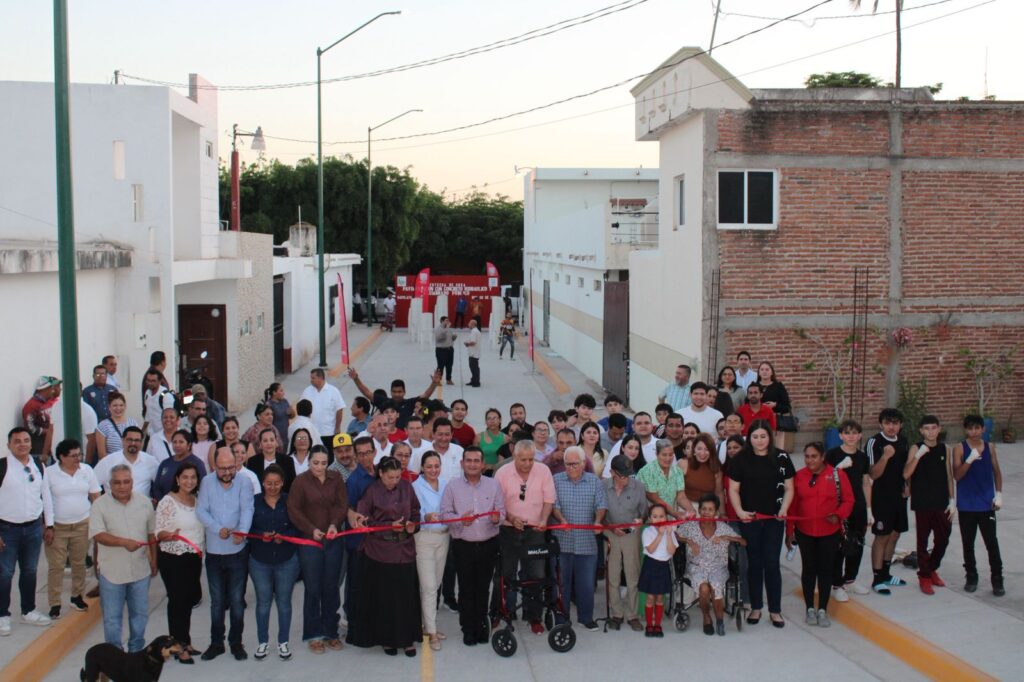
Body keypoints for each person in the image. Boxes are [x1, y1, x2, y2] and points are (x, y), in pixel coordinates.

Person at [348, 456, 422, 657]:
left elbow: (416, 511)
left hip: (405, 550)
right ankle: (387, 639)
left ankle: (407, 639)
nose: (394, 481)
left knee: (406, 597)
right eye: (390, 477)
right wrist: (389, 525)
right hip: (380, 552)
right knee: (385, 599)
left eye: (397, 477)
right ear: (381, 474)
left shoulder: (407, 488)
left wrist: (412, 524)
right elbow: (365, 521)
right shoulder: (372, 491)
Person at [727, 420, 795, 627]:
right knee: (754, 564)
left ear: (770, 436)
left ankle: (775, 610)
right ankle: (756, 607)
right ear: (750, 438)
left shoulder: (782, 458)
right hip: (751, 520)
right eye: (755, 437)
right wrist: (740, 512)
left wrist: (783, 509)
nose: (759, 441)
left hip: (774, 520)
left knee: (772, 563)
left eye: (763, 436)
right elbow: (733, 490)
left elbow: (789, 488)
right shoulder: (740, 459)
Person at [441, 446, 504, 646]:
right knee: (467, 589)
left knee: (483, 587)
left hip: (488, 544)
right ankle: (468, 628)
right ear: (462, 464)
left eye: (477, 461)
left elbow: (501, 511)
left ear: (483, 464)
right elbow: (444, 515)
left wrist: (497, 518)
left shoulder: (493, 485)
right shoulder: (452, 487)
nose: (472, 464)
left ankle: (481, 626)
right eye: (468, 460)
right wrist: (460, 520)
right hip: (463, 545)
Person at [89, 464, 157, 652]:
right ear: (110, 484)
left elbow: (151, 534)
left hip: (140, 571)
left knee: (140, 616)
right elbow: (98, 535)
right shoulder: (99, 505)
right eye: (117, 482)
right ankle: (114, 657)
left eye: (126, 482)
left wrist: (154, 561)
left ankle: (135, 652)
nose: (122, 486)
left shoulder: (144, 503)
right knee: (112, 619)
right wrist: (123, 542)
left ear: (132, 482)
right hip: (112, 573)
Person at [786, 443, 853, 628]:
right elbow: (792, 506)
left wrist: (838, 515)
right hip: (804, 531)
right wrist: (789, 531)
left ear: (822, 457)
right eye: (807, 456)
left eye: (814, 456)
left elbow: (849, 500)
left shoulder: (838, 475)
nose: (810, 460)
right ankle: (809, 608)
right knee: (808, 569)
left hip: (829, 532)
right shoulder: (799, 476)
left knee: (825, 570)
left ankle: (822, 608)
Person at [288, 449, 349, 653]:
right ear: (309, 462)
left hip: (333, 541)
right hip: (310, 543)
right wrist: (310, 529)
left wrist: (334, 524)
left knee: (331, 587)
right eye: (315, 463)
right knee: (313, 589)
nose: (320, 467)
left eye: (323, 463)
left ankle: (331, 632)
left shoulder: (336, 478)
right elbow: (294, 509)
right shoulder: (300, 482)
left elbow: (342, 505)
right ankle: (313, 634)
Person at [197, 449, 254, 661]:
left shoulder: (244, 482)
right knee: (217, 602)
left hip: (238, 552)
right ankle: (216, 642)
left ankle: (236, 642)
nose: (228, 472)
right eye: (223, 468)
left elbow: (247, 509)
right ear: (214, 466)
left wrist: (242, 531)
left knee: (237, 601)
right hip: (214, 552)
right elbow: (201, 510)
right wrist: (216, 527)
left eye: (232, 467)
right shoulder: (206, 482)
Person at [495, 440, 556, 635]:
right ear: (514, 456)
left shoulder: (543, 471)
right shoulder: (502, 473)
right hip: (508, 530)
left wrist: (544, 520)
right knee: (506, 574)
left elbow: (549, 500)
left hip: (535, 531)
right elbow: (497, 504)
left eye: (531, 459)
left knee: (536, 575)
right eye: (523, 460)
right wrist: (511, 518)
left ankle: (534, 617)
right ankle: (501, 611)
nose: (528, 464)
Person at [0, 427, 55, 635]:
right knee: (5, 574)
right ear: (9, 445)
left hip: (32, 529)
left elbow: (46, 496)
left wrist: (49, 525)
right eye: (17, 441)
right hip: (7, 530)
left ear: (31, 443)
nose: (22, 444)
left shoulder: (39, 466)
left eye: (26, 440)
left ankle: (28, 610)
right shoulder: (3, 466)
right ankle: (2, 615)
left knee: (30, 571)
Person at [551, 446, 607, 631]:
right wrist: (561, 519)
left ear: (584, 464)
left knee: (586, 583)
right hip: (562, 540)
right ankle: (562, 616)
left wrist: (598, 521)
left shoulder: (594, 482)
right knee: (561, 583)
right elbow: (554, 504)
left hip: (586, 541)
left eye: (575, 463)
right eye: (568, 464)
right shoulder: (556, 480)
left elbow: (601, 505)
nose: (571, 467)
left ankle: (585, 617)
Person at [44, 439, 99, 620]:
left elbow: (95, 496)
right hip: (58, 527)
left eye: (79, 455)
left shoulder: (87, 471)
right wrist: (49, 526)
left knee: (79, 563)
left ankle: (77, 596)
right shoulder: (50, 473)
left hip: (82, 524)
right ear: (61, 457)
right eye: (73, 456)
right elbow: (46, 501)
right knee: (57, 566)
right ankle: (55, 603)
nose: (78, 459)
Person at [155, 461, 204, 663]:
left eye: (193, 477)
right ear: (177, 479)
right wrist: (169, 535)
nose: (189, 481)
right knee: (178, 603)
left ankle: (185, 641)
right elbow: (159, 531)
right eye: (185, 477)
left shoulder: (197, 499)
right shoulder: (168, 501)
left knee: (190, 599)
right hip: (173, 557)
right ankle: (178, 648)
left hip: (193, 557)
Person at [250, 464, 301, 661]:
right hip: (259, 560)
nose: (272, 487)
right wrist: (258, 535)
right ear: (263, 483)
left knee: (284, 602)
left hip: (286, 559)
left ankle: (283, 642)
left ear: (282, 483)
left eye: (276, 483)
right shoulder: (254, 502)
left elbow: (298, 526)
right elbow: (247, 527)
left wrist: (285, 536)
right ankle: (263, 641)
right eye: (269, 483)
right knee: (263, 603)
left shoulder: (289, 501)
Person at [678, 494, 747, 636]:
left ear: (716, 513)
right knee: (704, 588)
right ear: (699, 510)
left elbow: (743, 541)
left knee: (715, 585)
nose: (706, 512)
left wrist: (725, 538)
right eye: (703, 509)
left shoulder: (722, 527)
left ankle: (720, 620)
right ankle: (707, 617)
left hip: (718, 566)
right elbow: (675, 535)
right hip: (696, 566)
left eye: (710, 510)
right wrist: (688, 541)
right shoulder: (690, 526)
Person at [903, 415, 955, 595]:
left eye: (934, 428)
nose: (931, 431)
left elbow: (949, 475)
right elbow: (906, 473)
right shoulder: (915, 447)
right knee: (923, 540)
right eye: (927, 428)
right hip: (922, 501)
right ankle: (924, 576)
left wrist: (952, 500)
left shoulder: (945, 449)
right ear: (921, 431)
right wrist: (918, 455)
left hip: (941, 501)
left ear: (939, 429)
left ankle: (932, 567)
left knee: (944, 537)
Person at [953, 414, 1004, 596]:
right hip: (967, 504)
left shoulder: (990, 447)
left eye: (977, 428)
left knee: (992, 543)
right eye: (970, 428)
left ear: (983, 429)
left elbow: (997, 472)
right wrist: (970, 459)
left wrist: (998, 495)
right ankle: (971, 577)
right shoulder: (959, 448)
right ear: (965, 430)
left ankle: (997, 580)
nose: (974, 432)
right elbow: (957, 476)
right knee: (968, 543)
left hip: (986, 504)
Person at [825, 419, 872, 601]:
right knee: (839, 545)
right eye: (847, 433)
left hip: (858, 505)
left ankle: (850, 579)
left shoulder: (862, 457)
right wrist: (838, 468)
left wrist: (869, 509)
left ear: (860, 435)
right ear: (840, 435)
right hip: (839, 506)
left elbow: (866, 483)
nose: (851, 436)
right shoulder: (832, 454)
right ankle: (836, 584)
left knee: (857, 542)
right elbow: (825, 478)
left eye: (854, 433)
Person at [602, 454, 648, 631]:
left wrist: (640, 520)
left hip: (631, 534)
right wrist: (611, 527)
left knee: (632, 574)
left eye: (628, 475)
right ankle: (617, 614)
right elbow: (597, 512)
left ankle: (633, 614)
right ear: (612, 472)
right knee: (613, 575)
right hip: (610, 533)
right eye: (622, 476)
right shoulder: (603, 486)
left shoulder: (638, 487)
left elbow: (644, 512)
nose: (626, 479)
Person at [867, 408, 909, 595]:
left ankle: (886, 574)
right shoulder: (874, 442)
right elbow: (873, 473)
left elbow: (906, 467)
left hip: (899, 497)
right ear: (881, 424)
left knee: (894, 535)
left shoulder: (903, 440)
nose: (891, 427)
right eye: (887, 423)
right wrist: (885, 456)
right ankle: (877, 579)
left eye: (895, 423)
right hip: (881, 497)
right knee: (882, 536)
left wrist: (908, 485)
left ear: (900, 425)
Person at [413, 452, 449, 651]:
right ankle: (432, 632)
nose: (433, 470)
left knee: (436, 583)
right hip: (424, 539)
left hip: (444, 537)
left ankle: (428, 624)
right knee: (428, 587)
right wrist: (424, 516)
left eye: (437, 466)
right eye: (429, 466)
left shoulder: (445, 484)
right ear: (422, 467)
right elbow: (413, 512)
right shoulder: (415, 487)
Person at [342, 437, 377, 624]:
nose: (365, 457)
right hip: (359, 541)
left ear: (374, 452)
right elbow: (348, 507)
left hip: (377, 540)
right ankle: (351, 616)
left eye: (368, 452)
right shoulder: (354, 480)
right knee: (355, 581)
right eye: (361, 454)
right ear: (356, 456)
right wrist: (352, 515)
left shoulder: (380, 473)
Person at [347, 368, 441, 430]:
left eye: (399, 392)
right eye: (394, 392)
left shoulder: (409, 403)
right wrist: (356, 379)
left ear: (404, 392)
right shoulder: (384, 402)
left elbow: (425, 396)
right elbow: (367, 392)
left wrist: (434, 383)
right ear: (390, 392)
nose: (397, 394)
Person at [638, 503, 677, 638]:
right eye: (655, 516)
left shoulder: (670, 531)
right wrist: (659, 535)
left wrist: (668, 534)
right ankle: (649, 624)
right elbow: (650, 549)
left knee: (660, 597)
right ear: (650, 519)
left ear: (666, 517)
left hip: (663, 565)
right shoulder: (647, 531)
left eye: (661, 516)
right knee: (650, 598)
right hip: (650, 565)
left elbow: (671, 551)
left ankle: (658, 625)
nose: (659, 519)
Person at [93, 427, 158, 498]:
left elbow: (162, 484)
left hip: (142, 507)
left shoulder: (150, 461)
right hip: (115, 507)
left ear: (141, 442)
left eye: (137, 440)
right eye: (129, 440)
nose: (133, 443)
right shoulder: (108, 461)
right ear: (123, 440)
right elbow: (92, 483)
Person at [638, 439, 693, 519]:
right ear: (657, 454)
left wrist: (691, 510)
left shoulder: (677, 471)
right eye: (664, 455)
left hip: (671, 521)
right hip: (652, 520)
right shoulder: (646, 472)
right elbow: (655, 498)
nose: (668, 458)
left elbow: (681, 496)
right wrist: (675, 514)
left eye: (671, 455)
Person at [151, 430, 207, 502]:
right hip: (165, 506)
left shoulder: (197, 463)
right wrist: (164, 502)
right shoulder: (165, 463)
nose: (177, 445)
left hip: (188, 507)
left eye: (181, 442)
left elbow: (203, 489)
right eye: (174, 442)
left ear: (189, 445)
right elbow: (156, 487)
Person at [301, 369, 347, 452]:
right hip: (311, 433)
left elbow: (339, 410)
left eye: (313, 378)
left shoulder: (333, 391)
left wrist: (337, 428)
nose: (311, 380)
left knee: (329, 456)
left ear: (320, 378)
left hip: (328, 433)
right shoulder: (307, 391)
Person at [680, 433, 724, 511]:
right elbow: (678, 493)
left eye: (707, 449)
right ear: (694, 449)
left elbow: (719, 493)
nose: (702, 453)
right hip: (686, 507)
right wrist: (691, 510)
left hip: (709, 509)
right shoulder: (683, 464)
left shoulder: (716, 468)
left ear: (712, 451)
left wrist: (722, 513)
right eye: (699, 449)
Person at [755, 362, 792, 448]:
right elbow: (748, 404)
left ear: (772, 372)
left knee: (776, 450)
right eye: (762, 369)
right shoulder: (754, 386)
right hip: (758, 422)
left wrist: (775, 405)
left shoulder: (778, 386)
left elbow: (787, 407)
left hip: (776, 424)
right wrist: (760, 406)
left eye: (767, 369)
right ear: (759, 372)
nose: (764, 372)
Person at [23, 376, 60, 459]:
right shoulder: (31, 405)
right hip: (38, 449)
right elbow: (31, 428)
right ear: (44, 389)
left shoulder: (48, 403)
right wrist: (49, 431)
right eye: (51, 388)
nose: (53, 390)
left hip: (50, 448)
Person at [95, 392, 139, 461]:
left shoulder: (133, 423)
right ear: (109, 407)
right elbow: (102, 454)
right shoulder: (102, 426)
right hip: (112, 465)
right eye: (115, 405)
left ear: (125, 406)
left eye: (121, 405)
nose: (118, 408)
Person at [141, 369, 175, 438]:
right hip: (151, 435)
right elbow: (148, 414)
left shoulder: (166, 396)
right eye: (148, 380)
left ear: (159, 381)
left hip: (163, 435)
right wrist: (142, 431)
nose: (150, 383)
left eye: (153, 381)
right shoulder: (147, 393)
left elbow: (170, 419)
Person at [474, 408, 508, 474]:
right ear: (486, 421)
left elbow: (508, 460)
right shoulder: (479, 437)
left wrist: (493, 466)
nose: (492, 421)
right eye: (489, 418)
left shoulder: (506, 438)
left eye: (494, 418)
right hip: (483, 473)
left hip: (500, 472)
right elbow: (474, 457)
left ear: (500, 420)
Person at [435, 316, 457, 385]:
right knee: (440, 366)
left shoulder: (449, 329)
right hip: (441, 350)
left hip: (450, 349)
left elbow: (450, 338)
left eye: (448, 320)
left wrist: (454, 337)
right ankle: (438, 380)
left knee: (449, 365)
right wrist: (446, 329)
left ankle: (448, 379)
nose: (448, 322)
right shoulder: (438, 329)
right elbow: (439, 338)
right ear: (442, 321)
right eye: (446, 320)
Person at [464, 319, 482, 387]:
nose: (468, 324)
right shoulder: (475, 331)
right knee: (473, 368)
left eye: (469, 323)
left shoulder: (474, 332)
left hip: (473, 353)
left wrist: (467, 344)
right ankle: (473, 380)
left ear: (473, 324)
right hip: (474, 352)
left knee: (474, 368)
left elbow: (473, 342)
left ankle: (476, 382)